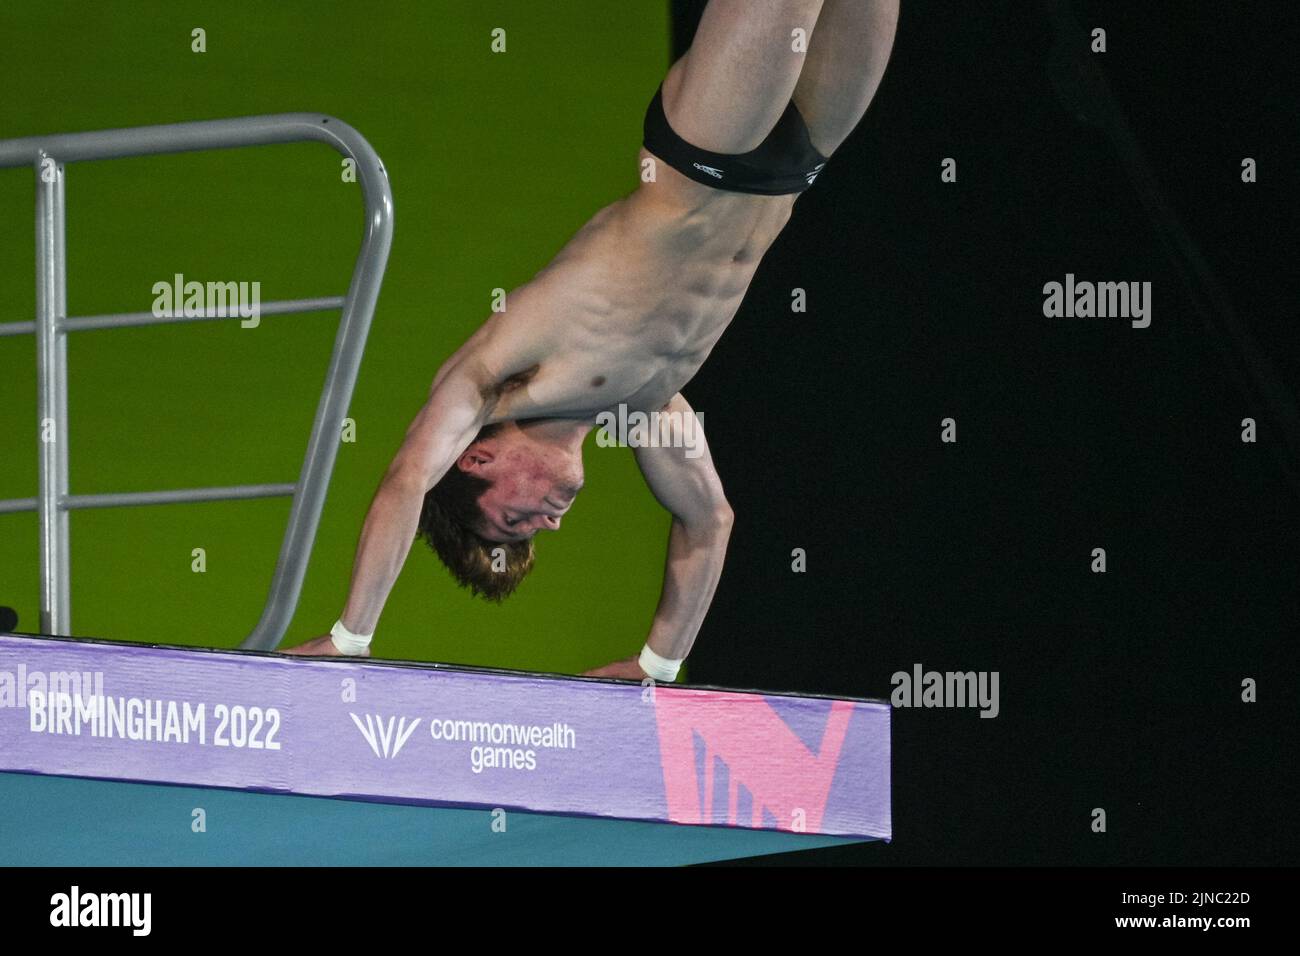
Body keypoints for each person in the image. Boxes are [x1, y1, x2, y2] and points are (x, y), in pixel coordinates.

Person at [287, 0, 899, 680]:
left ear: (475, 464)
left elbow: (405, 480)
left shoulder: (494, 379)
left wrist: (350, 638)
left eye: (514, 522)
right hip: (796, 165)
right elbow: (710, 521)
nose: (547, 524)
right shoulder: (647, 407)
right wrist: (659, 664)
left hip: (707, 148)